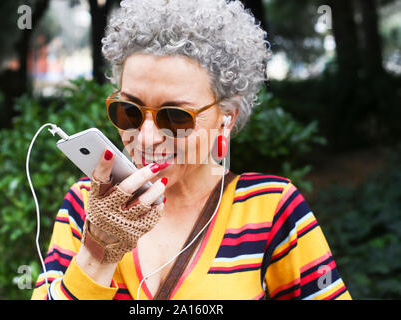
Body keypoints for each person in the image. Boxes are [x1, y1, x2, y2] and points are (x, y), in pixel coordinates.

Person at [31, 0, 351, 300]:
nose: (145, 138)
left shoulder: (270, 210)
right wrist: (97, 250)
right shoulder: (84, 204)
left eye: (175, 117)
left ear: (227, 118)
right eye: (129, 111)